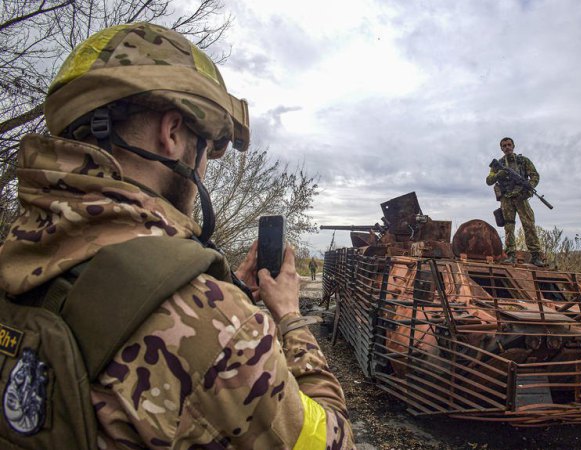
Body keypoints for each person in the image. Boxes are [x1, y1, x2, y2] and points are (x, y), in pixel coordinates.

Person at [0, 23, 354, 448]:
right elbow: (334, 442)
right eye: (205, 148)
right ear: (172, 134)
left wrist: (229, 291)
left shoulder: (18, 253)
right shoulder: (217, 322)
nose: (204, 170)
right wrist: (290, 317)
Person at [486, 137, 546, 267]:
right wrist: (498, 175)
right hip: (506, 199)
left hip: (521, 197)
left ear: (513, 146)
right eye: (504, 145)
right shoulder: (499, 163)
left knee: (529, 225)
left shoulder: (523, 161)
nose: (507, 147)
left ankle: (536, 256)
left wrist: (528, 187)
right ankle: (511, 255)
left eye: (509, 145)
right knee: (508, 226)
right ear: (501, 148)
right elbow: (489, 180)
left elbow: (535, 176)